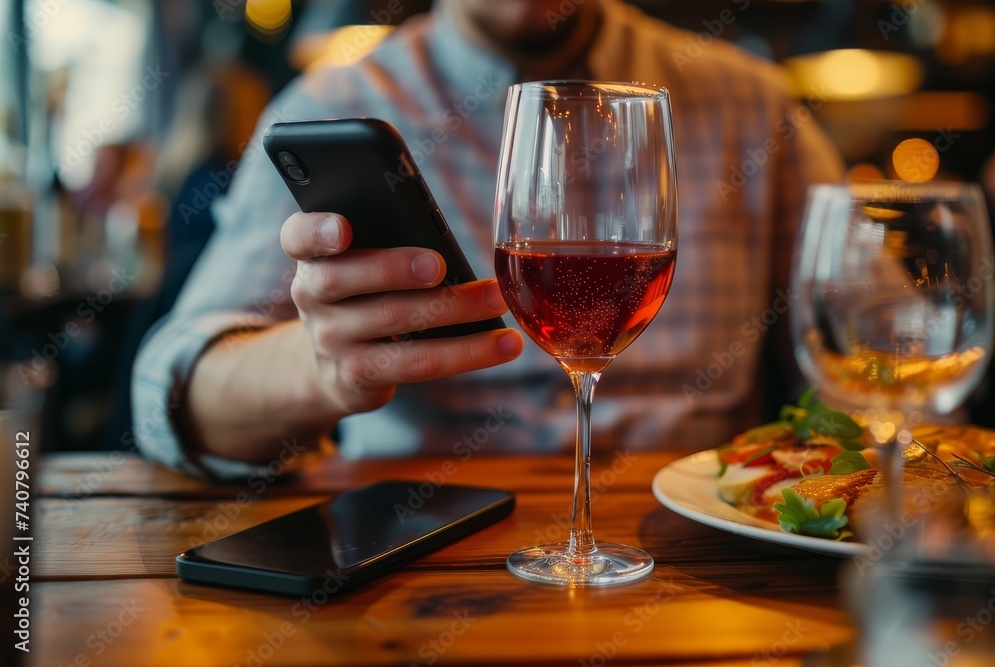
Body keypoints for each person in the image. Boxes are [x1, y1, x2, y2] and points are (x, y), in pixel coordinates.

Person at [132, 0, 843, 477]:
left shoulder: (750, 104)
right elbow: (167, 393)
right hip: (424, 568)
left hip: (703, 562)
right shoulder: (338, 105)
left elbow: (876, 352)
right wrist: (319, 370)